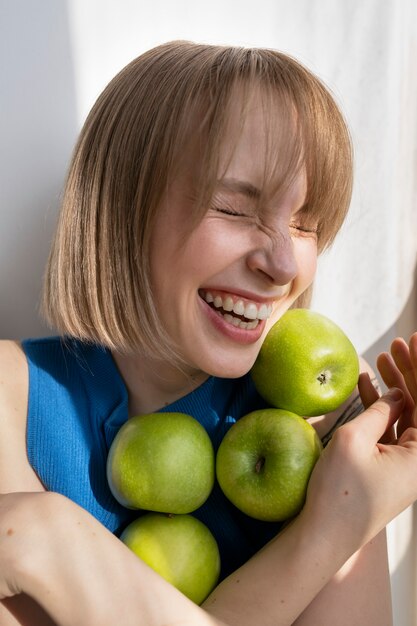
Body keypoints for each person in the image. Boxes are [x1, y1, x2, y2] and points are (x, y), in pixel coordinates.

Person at [1, 40, 417, 626]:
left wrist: (53, 540)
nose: (282, 264)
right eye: (235, 208)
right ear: (120, 208)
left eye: (304, 224)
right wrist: (331, 530)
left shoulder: (332, 452)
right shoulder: (7, 400)